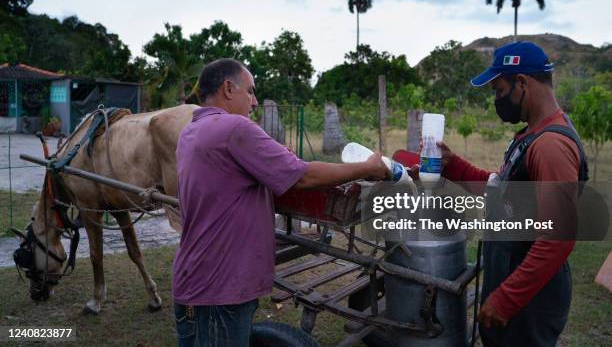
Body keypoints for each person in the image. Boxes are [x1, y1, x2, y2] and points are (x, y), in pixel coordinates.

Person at [172, 58, 389, 347]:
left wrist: (272, 162)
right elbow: (303, 177)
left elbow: (228, 182)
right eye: (250, 91)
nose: (254, 101)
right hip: (218, 287)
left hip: (199, 278)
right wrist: (367, 168)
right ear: (227, 88)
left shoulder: (192, 131)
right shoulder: (234, 128)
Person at [421, 42, 588, 346]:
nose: (497, 100)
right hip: (517, 282)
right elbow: (503, 192)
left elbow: (558, 237)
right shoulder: (530, 135)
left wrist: (507, 299)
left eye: (499, 90)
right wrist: (453, 166)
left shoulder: (550, 146)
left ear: (522, 83)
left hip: (530, 301)